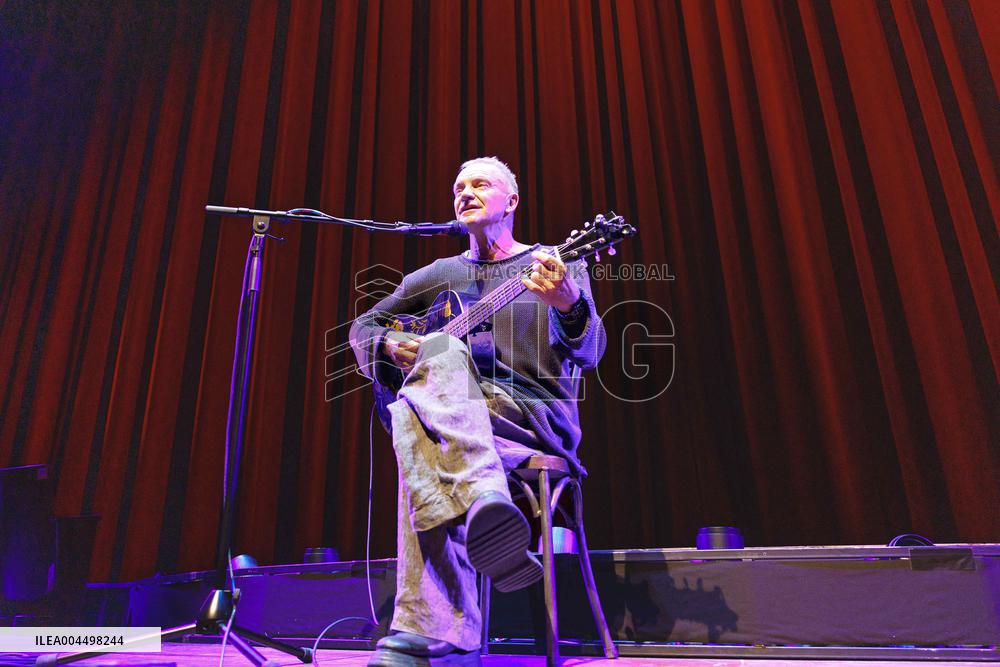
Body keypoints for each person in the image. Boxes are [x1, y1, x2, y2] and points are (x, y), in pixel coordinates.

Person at [350, 156, 606, 666]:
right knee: (437, 368)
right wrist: (385, 345)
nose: (464, 192)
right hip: (460, 422)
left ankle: (435, 632)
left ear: (511, 202)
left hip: (531, 419)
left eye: (480, 184)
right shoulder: (440, 274)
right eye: (458, 186)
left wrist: (570, 303)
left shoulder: (558, 263)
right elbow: (363, 325)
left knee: (419, 408)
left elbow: (592, 350)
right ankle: (485, 503)